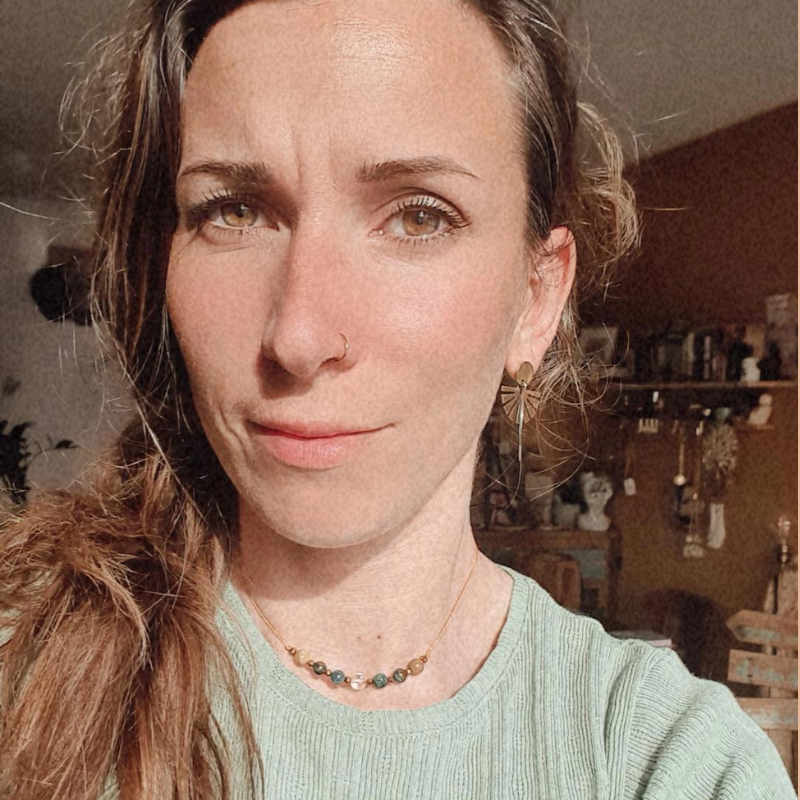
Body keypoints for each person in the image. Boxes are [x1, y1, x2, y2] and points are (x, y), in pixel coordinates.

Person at [0, 1, 795, 798]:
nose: (299, 336)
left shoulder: (669, 763)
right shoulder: (24, 677)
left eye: (418, 216)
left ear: (536, 296)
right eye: (234, 211)